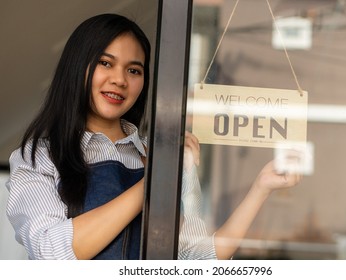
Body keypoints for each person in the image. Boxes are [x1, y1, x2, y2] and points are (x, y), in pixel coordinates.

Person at [5, 14, 301, 260]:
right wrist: (156, 181)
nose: (120, 80)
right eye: (105, 63)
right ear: (76, 67)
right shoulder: (37, 157)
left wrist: (261, 187)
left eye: (134, 70)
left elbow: (198, 261)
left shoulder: (160, 156)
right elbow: (52, 252)